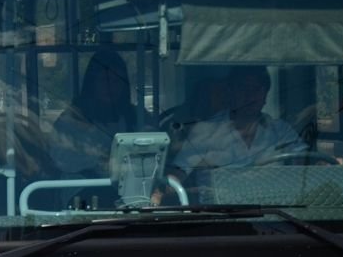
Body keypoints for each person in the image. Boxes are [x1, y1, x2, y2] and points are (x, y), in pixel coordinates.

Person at [169, 66, 304, 180]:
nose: (249, 95)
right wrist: (160, 193)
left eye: (256, 89)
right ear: (231, 92)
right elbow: (178, 174)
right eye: (242, 88)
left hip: (275, 208)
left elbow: (304, 167)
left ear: (265, 95)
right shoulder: (205, 131)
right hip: (220, 209)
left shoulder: (281, 130)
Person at [50, 49, 140, 178]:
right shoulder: (72, 118)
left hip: (131, 187)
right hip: (82, 190)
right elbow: (60, 160)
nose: (110, 87)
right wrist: (98, 161)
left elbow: (155, 141)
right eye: (104, 80)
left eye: (116, 81)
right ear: (92, 83)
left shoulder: (136, 115)